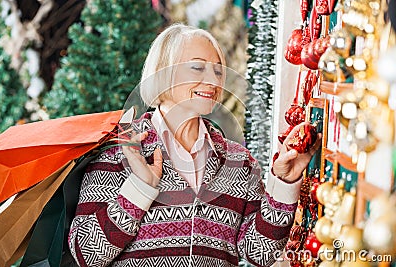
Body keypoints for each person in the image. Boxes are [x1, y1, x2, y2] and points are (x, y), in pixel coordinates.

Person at [68, 23, 321, 267]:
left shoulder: (238, 162)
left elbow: (261, 253)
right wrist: (139, 189)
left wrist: (283, 182)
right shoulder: (120, 152)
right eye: (197, 68)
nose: (212, 81)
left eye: (218, 70)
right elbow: (85, 254)